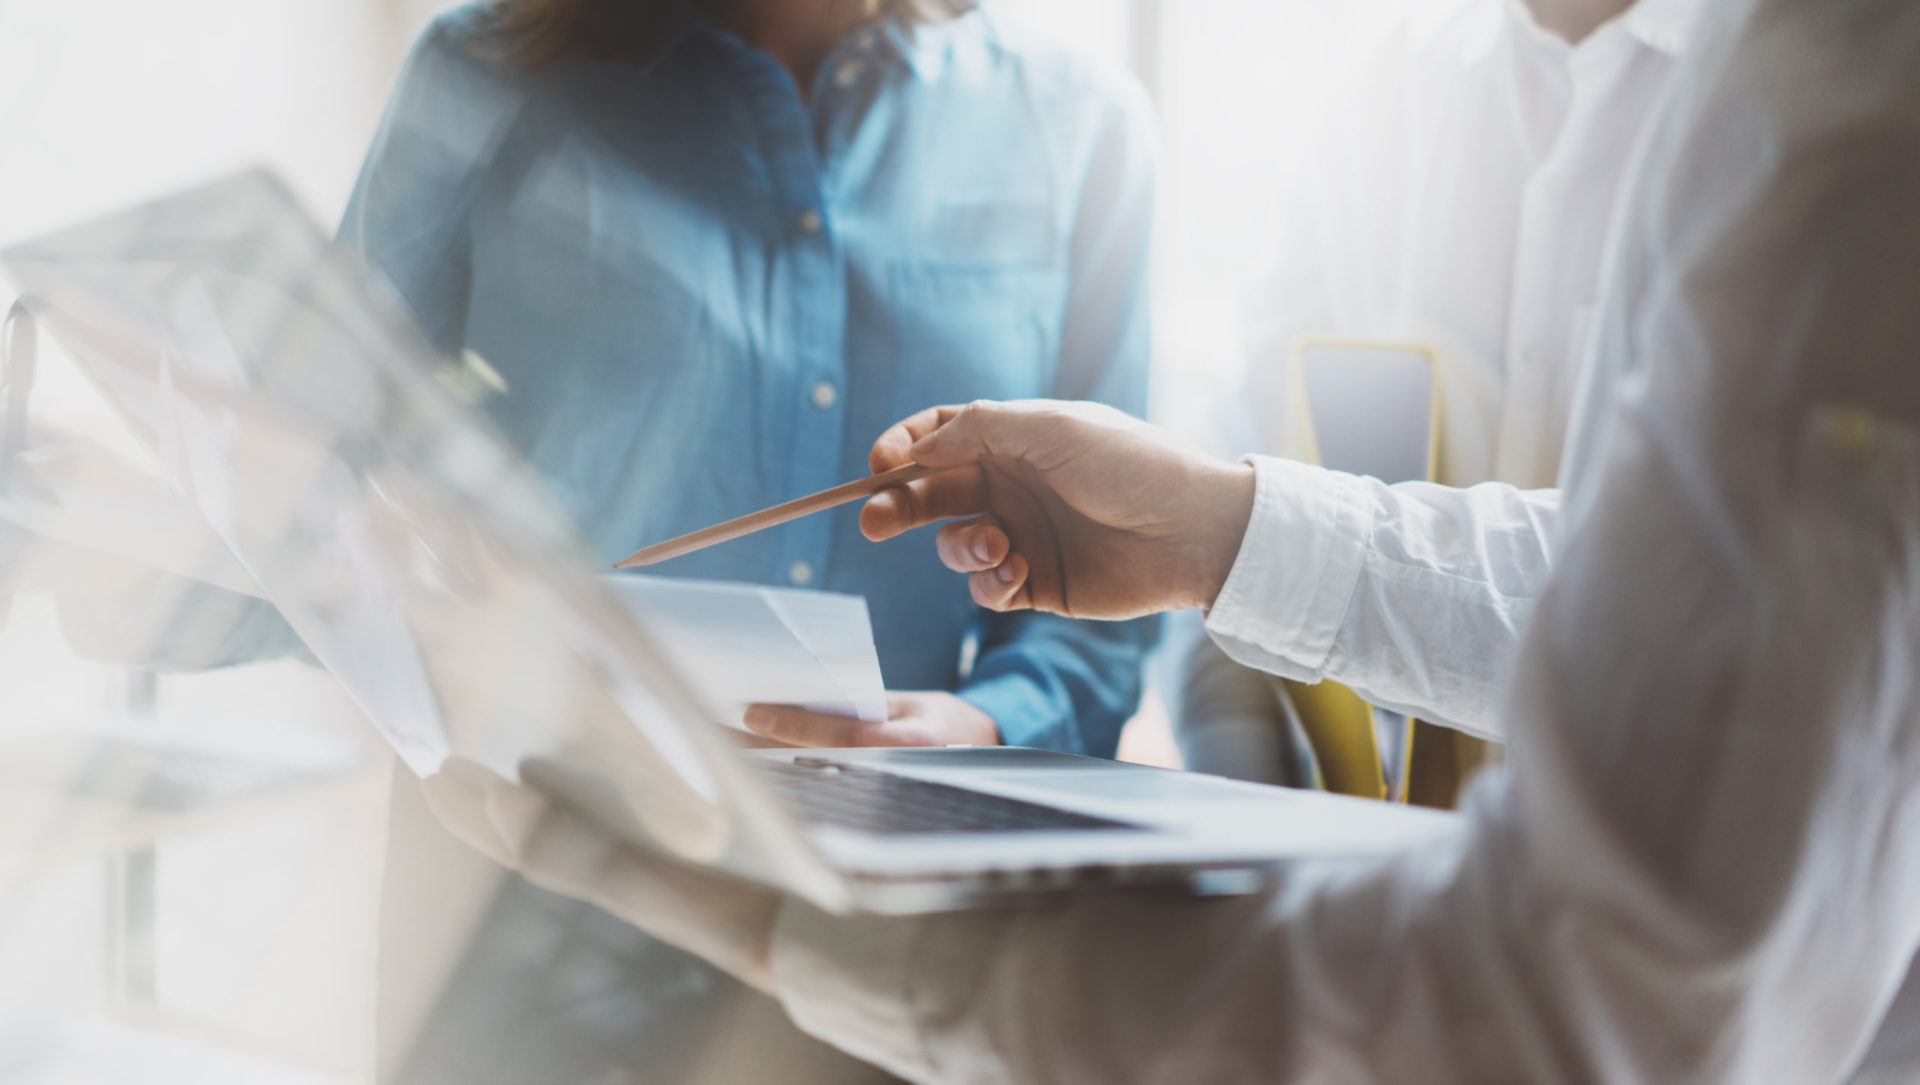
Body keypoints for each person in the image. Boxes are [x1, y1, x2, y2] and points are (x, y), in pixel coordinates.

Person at [423, 0, 1920, 1077]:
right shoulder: (1395, 107)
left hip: (1011, 948)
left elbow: (1579, 1009)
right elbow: (1637, 580)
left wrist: (809, 914)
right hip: (559, 915)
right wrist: (1221, 527)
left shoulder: (1841, 97)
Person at [341, 0, 1158, 756]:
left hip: (901, 861)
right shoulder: (482, 69)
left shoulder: (1081, 127)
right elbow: (316, 459)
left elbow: (1102, 570)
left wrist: (993, 724)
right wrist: (412, 600)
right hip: (522, 821)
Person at [1175, 0, 1705, 790]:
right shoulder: (1375, 94)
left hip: (1670, 872)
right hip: (1386, 866)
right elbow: (1251, 453)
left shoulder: (1801, 105)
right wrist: (1246, 826)